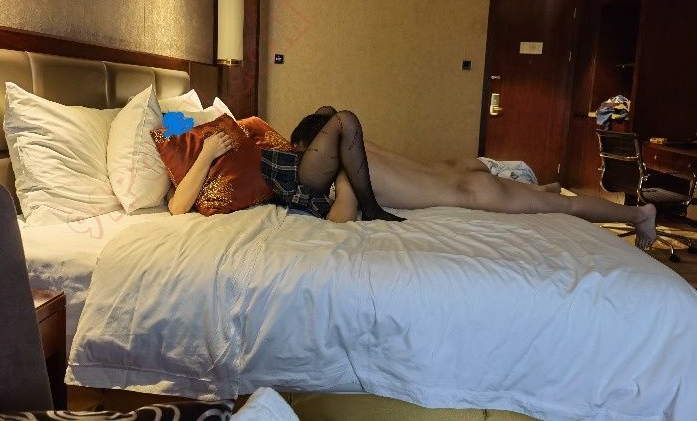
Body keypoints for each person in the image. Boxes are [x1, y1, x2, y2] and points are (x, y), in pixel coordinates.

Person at [168, 106, 656, 248]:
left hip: (467, 187)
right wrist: (202, 148)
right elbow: (177, 201)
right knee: (547, 199)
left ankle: (639, 214)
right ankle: (540, 190)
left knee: (564, 206)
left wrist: (204, 138)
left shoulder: (339, 164)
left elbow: (340, 219)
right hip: (456, 173)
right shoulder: (339, 158)